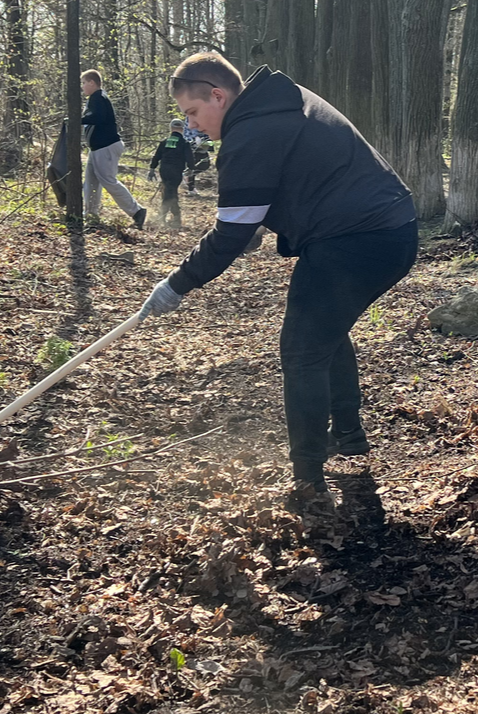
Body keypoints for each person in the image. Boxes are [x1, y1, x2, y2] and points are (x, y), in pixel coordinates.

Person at [139, 52, 418, 515]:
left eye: (192, 113)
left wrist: (176, 284)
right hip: (390, 230)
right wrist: (253, 224)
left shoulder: (250, 132)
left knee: (302, 351)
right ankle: (347, 434)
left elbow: (229, 235)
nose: (191, 126)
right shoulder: (280, 104)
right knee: (325, 332)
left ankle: (308, 480)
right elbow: (295, 180)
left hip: (356, 240)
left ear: (217, 95)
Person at [81, 69, 148, 229]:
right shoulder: (95, 99)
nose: (82, 87)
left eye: (84, 83)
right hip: (97, 148)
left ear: (92, 83)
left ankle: (137, 211)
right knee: (90, 181)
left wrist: (78, 118)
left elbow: (98, 118)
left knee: (108, 180)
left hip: (106, 146)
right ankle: (91, 214)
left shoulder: (98, 98)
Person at [148, 119, 195, 229]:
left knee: (168, 191)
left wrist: (151, 169)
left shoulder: (164, 142)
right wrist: (191, 169)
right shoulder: (184, 143)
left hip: (164, 170)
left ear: (170, 129)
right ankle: (171, 217)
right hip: (176, 171)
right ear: (182, 130)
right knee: (171, 192)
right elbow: (190, 158)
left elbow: (157, 156)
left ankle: (166, 217)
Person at [182, 126, 212, 196]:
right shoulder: (192, 118)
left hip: (204, 142)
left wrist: (209, 142)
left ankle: (186, 177)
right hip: (193, 143)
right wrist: (195, 138)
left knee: (205, 165)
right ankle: (191, 189)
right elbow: (190, 128)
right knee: (193, 166)